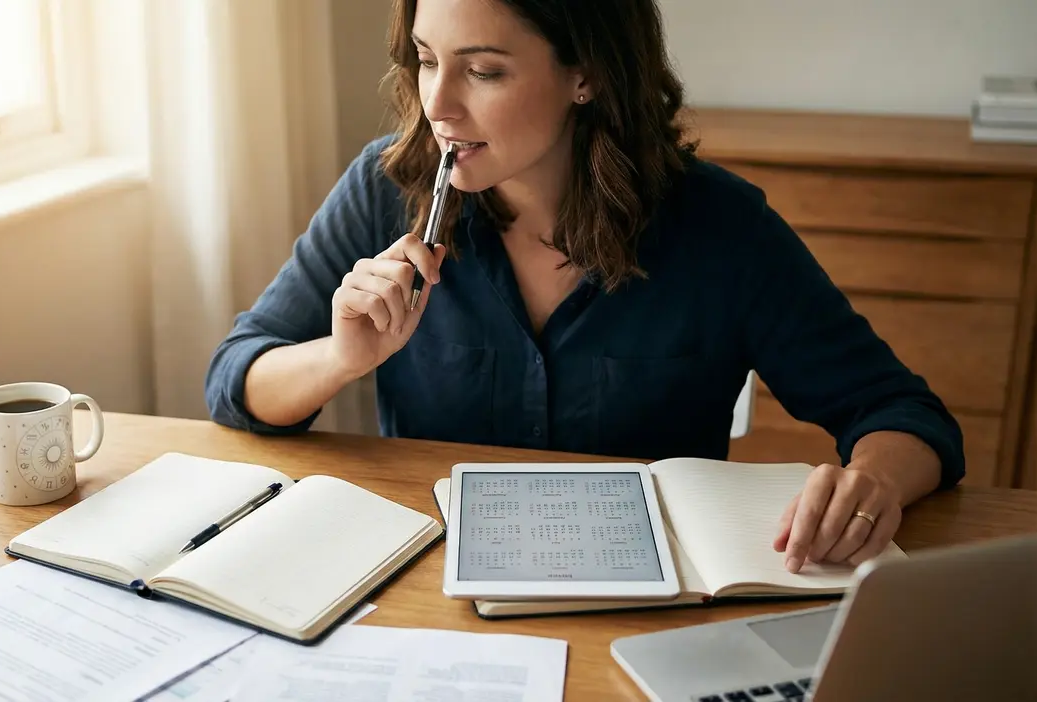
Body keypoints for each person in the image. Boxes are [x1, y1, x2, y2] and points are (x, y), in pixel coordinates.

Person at [204, 0, 965, 574]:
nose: (437, 104)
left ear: (585, 75)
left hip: (647, 604)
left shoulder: (717, 225)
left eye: (484, 70)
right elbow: (237, 383)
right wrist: (341, 359)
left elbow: (901, 413)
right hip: (431, 587)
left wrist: (869, 484)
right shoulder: (385, 190)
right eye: (427, 59)